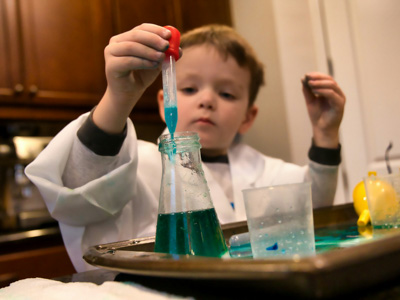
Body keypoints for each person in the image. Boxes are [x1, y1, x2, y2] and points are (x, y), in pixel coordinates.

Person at [25, 23, 345, 272]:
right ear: (166, 101)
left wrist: (325, 135)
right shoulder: (138, 164)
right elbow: (79, 195)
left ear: (248, 117)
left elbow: (311, 214)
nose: (207, 100)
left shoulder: (268, 171)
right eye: (190, 88)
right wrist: (119, 98)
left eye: (227, 94)